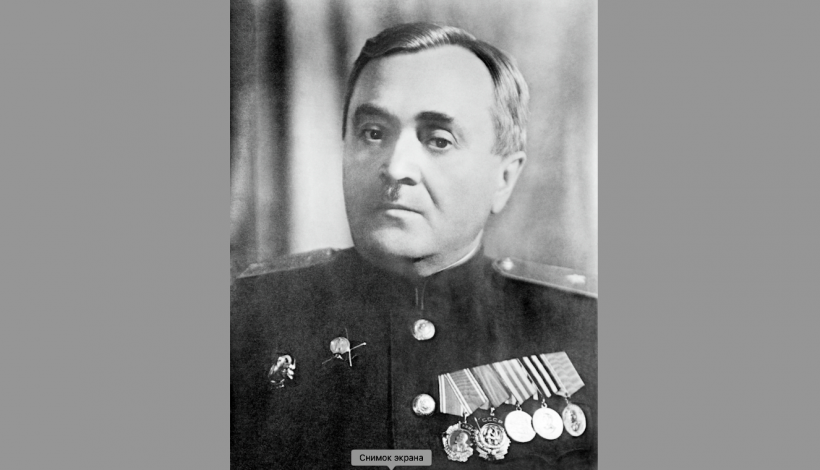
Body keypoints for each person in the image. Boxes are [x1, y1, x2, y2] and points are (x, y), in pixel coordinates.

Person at [231, 22, 597, 469]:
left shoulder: (586, 331)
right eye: (373, 133)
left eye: (438, 140)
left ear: (503, 179)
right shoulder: (244, 318)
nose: (396, 167)